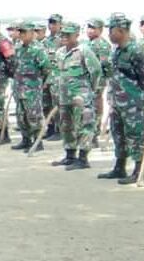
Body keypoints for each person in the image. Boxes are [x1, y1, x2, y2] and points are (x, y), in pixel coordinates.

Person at [99, 13, 144, 184]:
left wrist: (140, 99)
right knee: (118, 135)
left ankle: (138, 171)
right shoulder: (116, 51)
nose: (109, 34)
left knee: (135, 136)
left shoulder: (136, 51)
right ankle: (119, 167)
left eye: (111, 30)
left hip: (133, 104)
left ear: (121, 31)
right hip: (118, 102)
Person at [51, 22, 102, 170]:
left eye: (68, 34)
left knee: (84, 125)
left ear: (76, 35)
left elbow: (96, 71)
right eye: (63, 34)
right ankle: (69, 155)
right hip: (64, 96)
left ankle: (83, 158)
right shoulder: (60, 52)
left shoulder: (84, 50)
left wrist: (89, 89)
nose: (64, 37)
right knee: (66, 125)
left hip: (81, 95)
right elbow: (57, 72)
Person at [11, 22, 51, 151]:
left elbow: (46, 69)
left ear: (32, 33)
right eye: (20, 32)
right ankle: (26, 139)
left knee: (34, 116)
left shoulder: (38, 49)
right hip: (19, 88)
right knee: (21, 116)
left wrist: (42, 84)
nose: (21, 34)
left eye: (24, 32)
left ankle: (37, 142)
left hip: (32, 89)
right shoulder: (18, 48)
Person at [84, 18, 114, 141]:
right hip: (87, 80)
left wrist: (105, 79)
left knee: (95, 105)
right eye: (89, 27)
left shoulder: (102, 44)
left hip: (97, 81)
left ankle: (95, 132)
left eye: (93, 28)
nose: (90, 30)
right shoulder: (87, 44)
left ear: (100, 30)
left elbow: (106, 64)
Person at [42, 13, 63, 140]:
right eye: (50, 22)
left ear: (60, 24)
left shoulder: (63, 39)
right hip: (47, 77)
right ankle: (50, 128)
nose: (52, 25)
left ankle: (59, 131)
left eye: (55, 23)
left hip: (57, 77)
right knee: (46, 104)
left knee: (57, 105)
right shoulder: (47, 41)